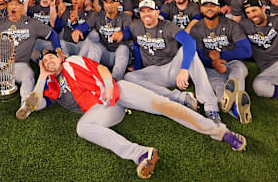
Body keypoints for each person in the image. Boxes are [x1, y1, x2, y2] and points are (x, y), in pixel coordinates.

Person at [15, 50, 246, 179]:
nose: (48, 62)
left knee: (164, 106)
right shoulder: (51, 84)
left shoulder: (73, 62)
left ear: (61, 57)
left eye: (51, 58)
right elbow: (35, 100)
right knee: (82, 128)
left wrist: (107, 84)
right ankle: (141, 154)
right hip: (104, 108)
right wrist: (43, 74)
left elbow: (102, 69)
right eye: (45, 62)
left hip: (117, 90)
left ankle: (221, 132)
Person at [0, 0, 61, 116]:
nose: (13, 7)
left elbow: (52, 34)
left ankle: (25, 105)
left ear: (22, 7)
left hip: (19, 65)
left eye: (16, 4)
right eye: (10, 4)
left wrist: (58, 50)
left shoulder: (32, 24)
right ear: (7, 6)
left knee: (28, 74)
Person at [124, 0, 222, 117]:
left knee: (189, 52)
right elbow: (127, 34)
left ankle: (210, 106)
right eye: (143, 11)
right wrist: (121, 34)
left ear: (157, 12)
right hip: (153, 72)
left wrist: (184, 69)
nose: (146, 14)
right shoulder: (136, 26)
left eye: (149, 10)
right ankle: (181, 98)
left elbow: (189, 42)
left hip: (172, 69)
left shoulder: (168, 26)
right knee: (129, 77)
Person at [188, 0, 252, 123]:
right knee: (218, 86)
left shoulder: (231, 25)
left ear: (219, 8)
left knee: (236, 74)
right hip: (210, 67)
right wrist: (214, 63)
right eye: (206, 5)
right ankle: (236, 108)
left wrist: (221, 55)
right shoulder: (196, 29)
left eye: (213, 5)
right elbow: (199, 54)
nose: (209, 8)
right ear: (201, 9)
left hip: (233, 63)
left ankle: (235, 103)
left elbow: (247, 51)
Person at [81, 0, 133, 80]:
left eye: (112, 2)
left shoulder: (124, 16)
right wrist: (78, 30)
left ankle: (115, 80)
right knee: (94, 45)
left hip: (119, 54)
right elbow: (86, 25)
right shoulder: (98, 15)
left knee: (123, 48)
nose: (109, 5)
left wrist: (122, 34)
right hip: (105, 54)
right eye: (106, 2)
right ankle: (91, 77)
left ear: (117, 4)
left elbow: (129, 31)